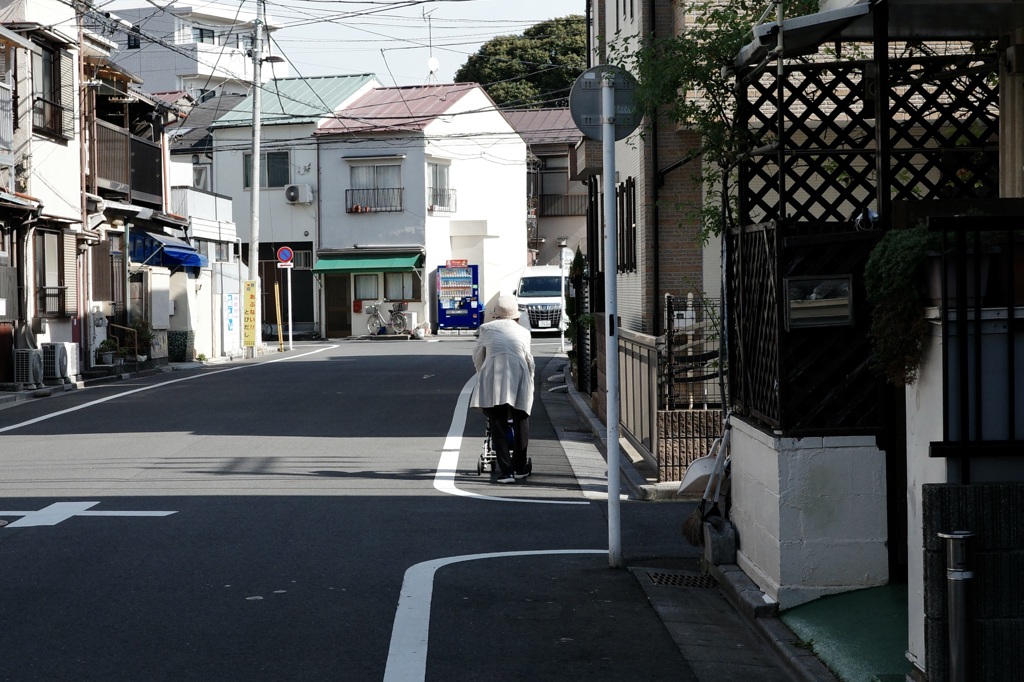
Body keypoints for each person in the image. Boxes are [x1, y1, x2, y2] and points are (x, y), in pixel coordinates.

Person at [469, 294, 535, 484]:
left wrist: (482, 372)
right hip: (519, 376)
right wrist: (530, 380)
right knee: (521, 420)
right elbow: (528, 359)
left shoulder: (486, 329)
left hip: (494, 378)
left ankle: (506, 472)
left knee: (498, 423)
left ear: (495, 315)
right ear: (516, 315)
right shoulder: (524, 332)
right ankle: (521, 467)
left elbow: (478, 355)